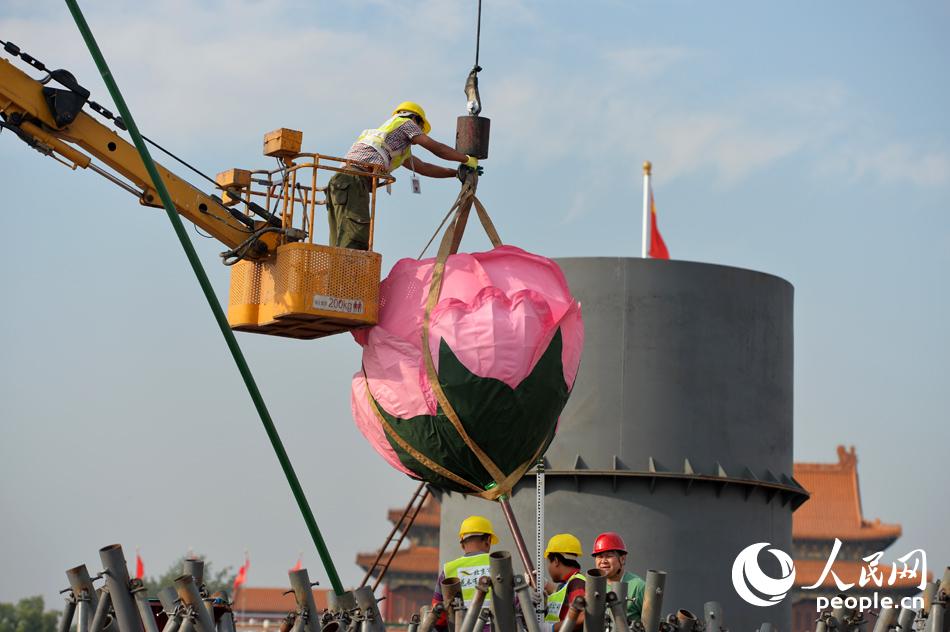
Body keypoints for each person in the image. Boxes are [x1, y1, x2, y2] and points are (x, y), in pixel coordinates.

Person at [327, 101, 482, 250]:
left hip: (343, 183)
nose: (420, 131)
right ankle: (347, 276)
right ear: (415, 119)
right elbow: (436, 148)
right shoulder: (405, 123)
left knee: (341, 237)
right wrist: (467, 159)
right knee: (355, 237)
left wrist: (455, 173)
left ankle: (339, 274)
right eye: (421, 127)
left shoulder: (391, 143)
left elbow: (424, 167)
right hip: (354, 180)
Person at [432, 515, 497, 629]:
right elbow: (515, 604)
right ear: (488, 541)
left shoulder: (449, 569)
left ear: (462, 544)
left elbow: (439, 615)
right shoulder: (499, 564)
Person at [591, 532, 645, 624]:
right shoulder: (593, 585)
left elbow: (651, 623)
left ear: (622, 559)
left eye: (609, 556)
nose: (603, 561)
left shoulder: (638, 586)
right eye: (599, 556)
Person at [544, 533, 587, 632]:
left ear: (555, 561)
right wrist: (544, 585)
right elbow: (561, 595)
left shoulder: (577, 583)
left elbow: (581, 617)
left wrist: (550, 628)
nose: (548, 568)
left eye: (548, 562)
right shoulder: (570, 582)